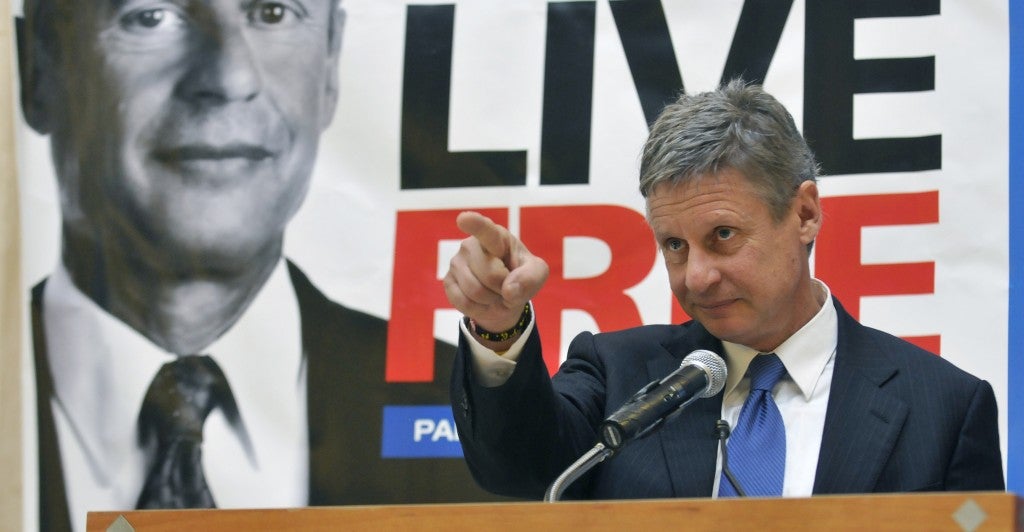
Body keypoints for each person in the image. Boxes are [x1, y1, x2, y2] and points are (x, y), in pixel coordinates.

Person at [17, 1, 495, 530]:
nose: (230, 77)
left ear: (330, 61)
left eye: (273, 13)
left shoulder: (478, 424)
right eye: (150, 16)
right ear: (38, 65)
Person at [443, 80, 1005, 500]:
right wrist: (498, 327)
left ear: (804, 214)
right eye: (675, 245)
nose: (696, 277)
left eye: (724, 236)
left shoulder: (945, 408)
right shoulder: (619, 375)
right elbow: (518, 468)